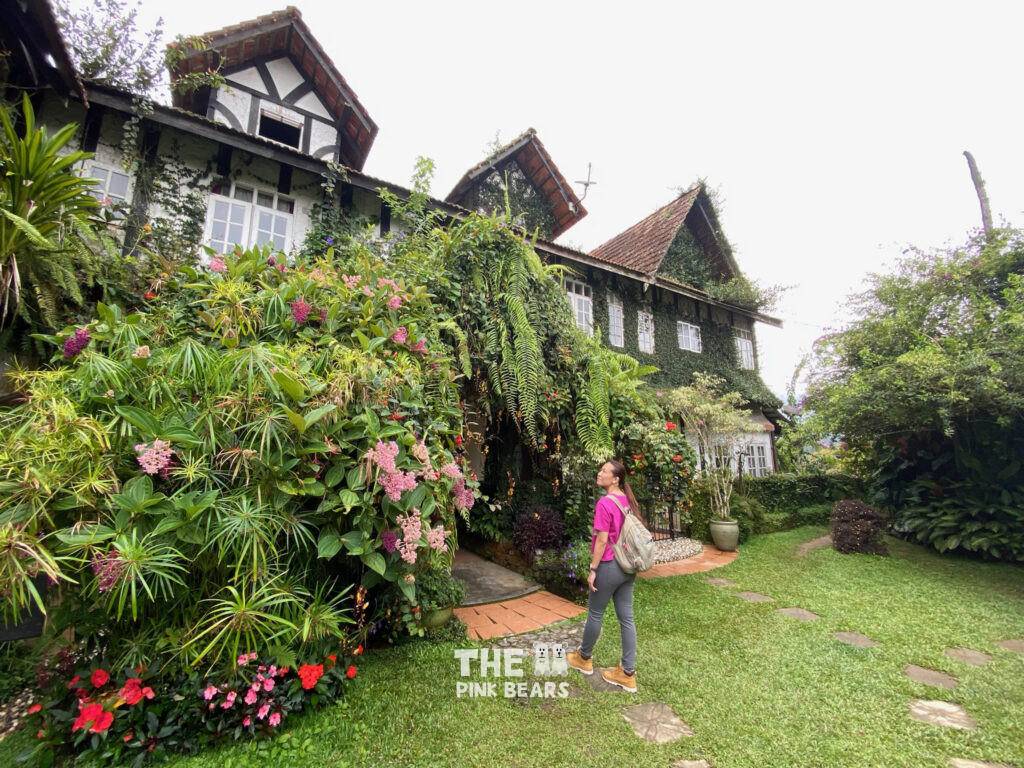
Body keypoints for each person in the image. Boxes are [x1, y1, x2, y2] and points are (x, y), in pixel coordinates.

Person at [566, 460, 640, 692]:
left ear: (616, 478)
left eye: (605, 471)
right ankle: (628, 672)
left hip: (608, 565)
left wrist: (593, 569)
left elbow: (602, 539)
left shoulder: (605, 503)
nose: (600, 473)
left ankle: (584, 658)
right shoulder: (626, 500)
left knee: (595, 613)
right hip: (627, 567)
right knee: (626, 619)